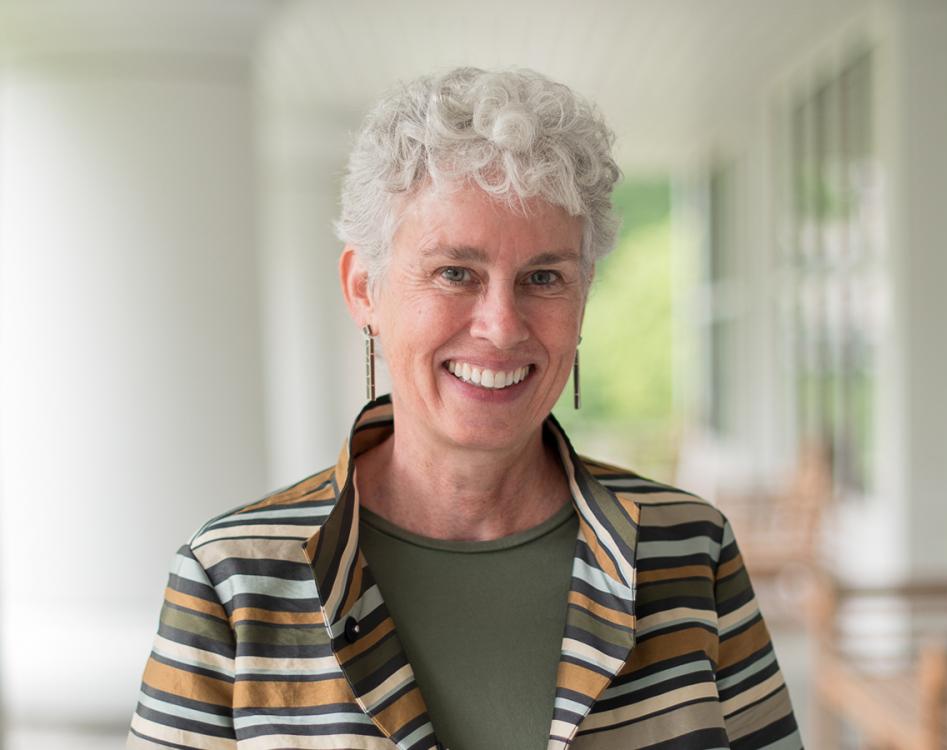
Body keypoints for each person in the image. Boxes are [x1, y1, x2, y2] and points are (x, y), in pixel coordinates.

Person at [128, 67, 801, 750]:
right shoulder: (231, 580)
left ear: (584, 296)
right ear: (364, 289)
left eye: (544, 277)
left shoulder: (690, 554)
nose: (503, 326)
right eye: (456, 273)